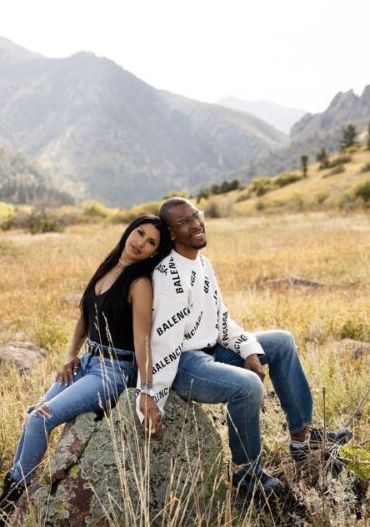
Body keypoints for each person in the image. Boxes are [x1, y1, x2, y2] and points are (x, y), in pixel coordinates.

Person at [137, 198, 351, 501]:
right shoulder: (168, 275)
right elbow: (161, 345)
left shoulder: (202, 264)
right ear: (171, 233)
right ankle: (246, 475)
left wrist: (249, 350)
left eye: (196, 216)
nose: (196, 224)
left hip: (211, 352)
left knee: (282, 341)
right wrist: (150, 395)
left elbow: (222, 319)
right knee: (248, 386)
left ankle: (303, 440)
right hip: (183, 366)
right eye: (184, 222)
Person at [0, 215, 171, 526]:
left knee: (40, 421)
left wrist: (147, 390)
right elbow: (85, 316)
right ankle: (4, 508)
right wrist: (70, 356)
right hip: (86, 362)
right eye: (140, 233)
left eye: (151, 243)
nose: (141, 243)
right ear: (129, 231)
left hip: (112, 371)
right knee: (33, 416)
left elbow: (142, 341)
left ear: (154, 254)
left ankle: (7, 509)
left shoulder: (140, 283)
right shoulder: (108, 268)